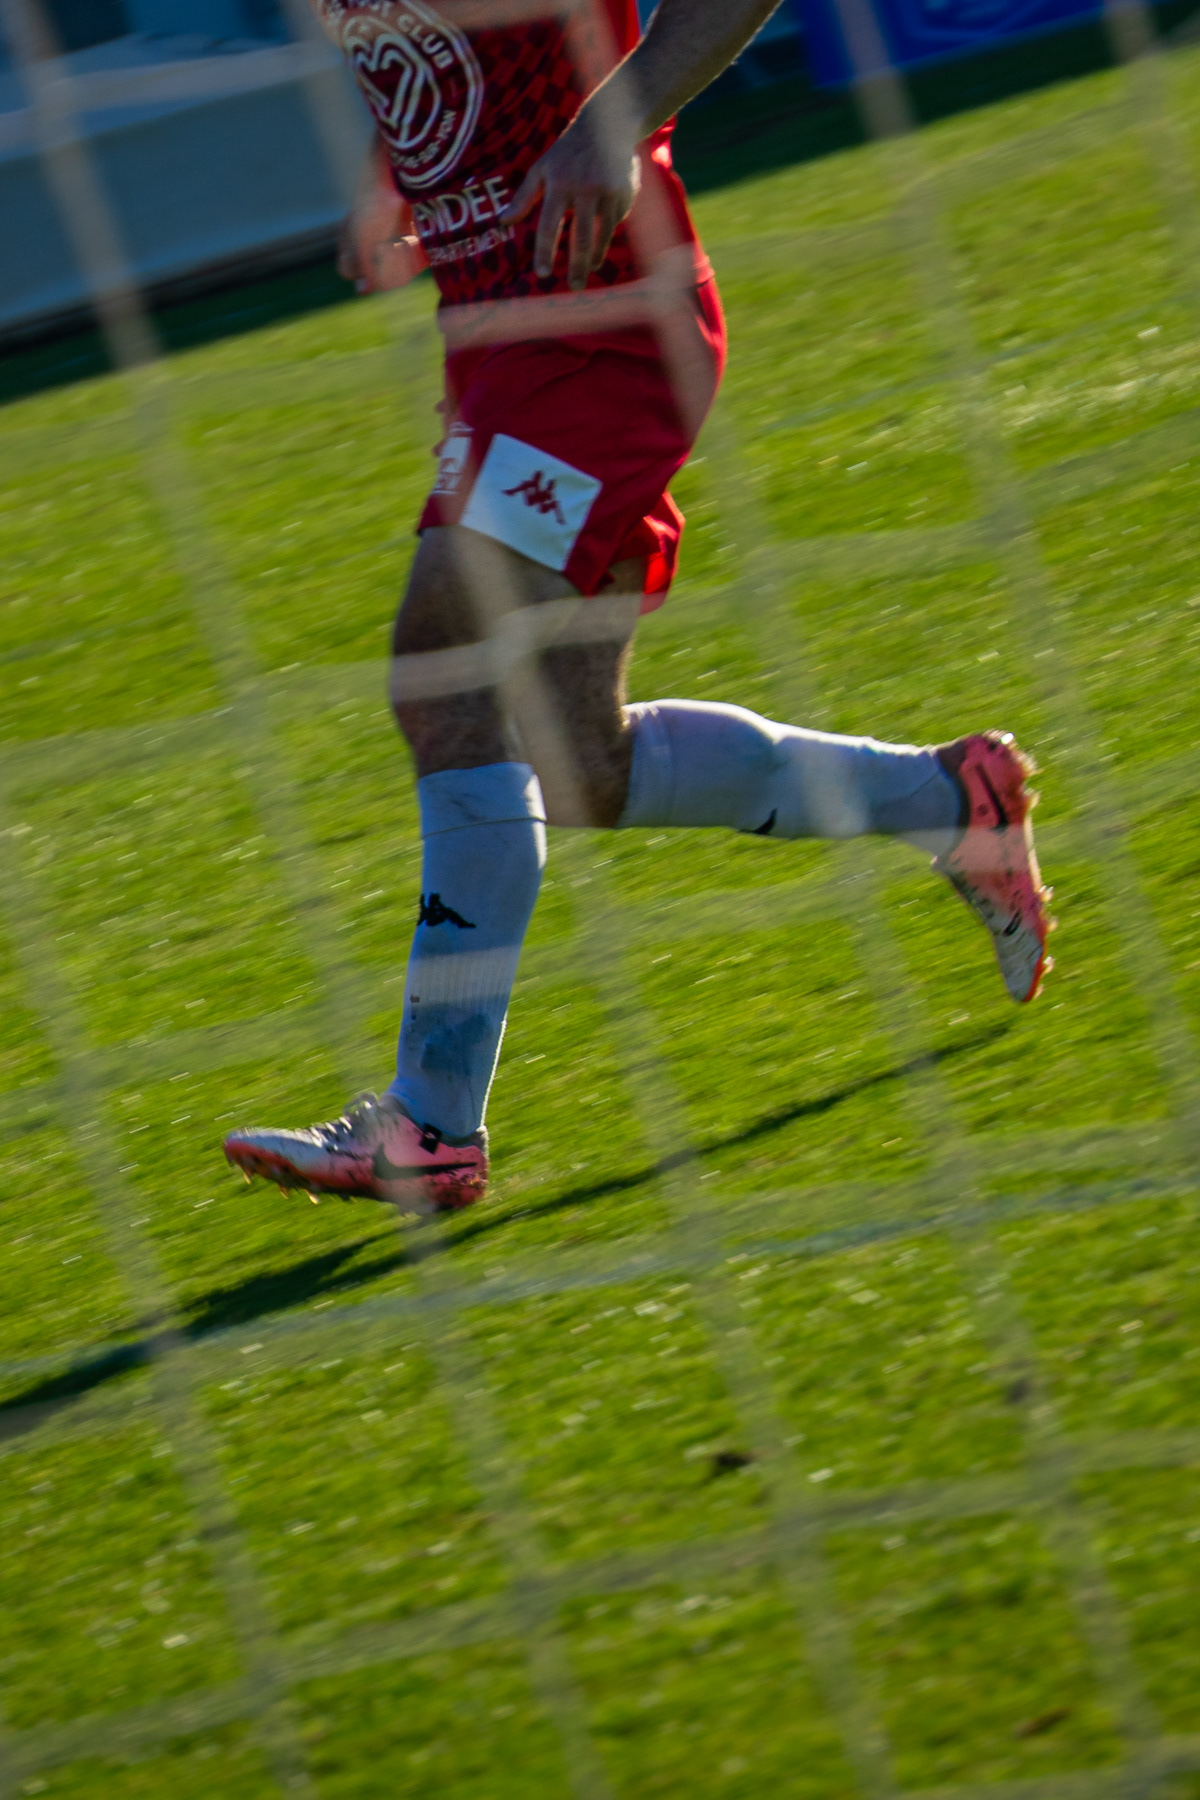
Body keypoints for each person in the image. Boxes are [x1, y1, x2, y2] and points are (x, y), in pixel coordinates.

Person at [224, 0, 1052, 1215]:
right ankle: (949, 802)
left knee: (444, 672)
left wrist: (613, 123)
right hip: (497, 329)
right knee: (578, 766)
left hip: (601, 323)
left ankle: (430, 1126)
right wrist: (384, 174)